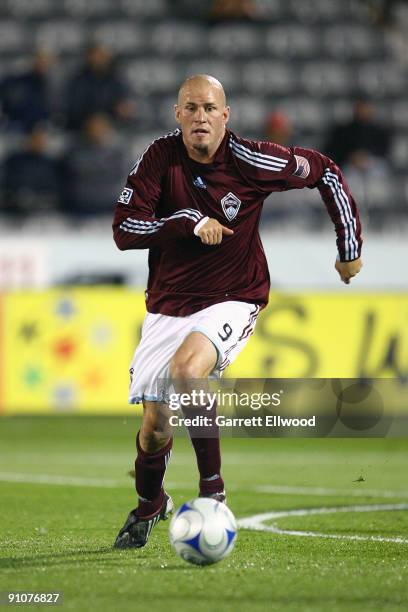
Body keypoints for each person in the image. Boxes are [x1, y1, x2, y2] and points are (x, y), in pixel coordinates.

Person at [111, 75, 363, 549]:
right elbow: (125, 229)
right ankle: (150, 505)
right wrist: (189, 221)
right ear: (177, 114)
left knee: (188, 370)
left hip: (233, 294)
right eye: (191, 108)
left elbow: (325, 171)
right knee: (154, 428)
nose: (200, 117)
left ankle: (213, 494)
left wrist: (348, 245)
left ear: (225, 116)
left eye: (209, 108)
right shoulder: (158, 158)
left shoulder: (251, 159)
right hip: (168, 305)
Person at [64, 43, 135, 131]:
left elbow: (124, 103)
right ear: (88, 57)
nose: (98, 59)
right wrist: (92, 119)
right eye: (95, 55)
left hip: (112, 123)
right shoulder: (79, 79)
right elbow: (74, 107)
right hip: (84, 125)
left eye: (102, 55)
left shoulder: (116, 78)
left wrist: (119, 110)